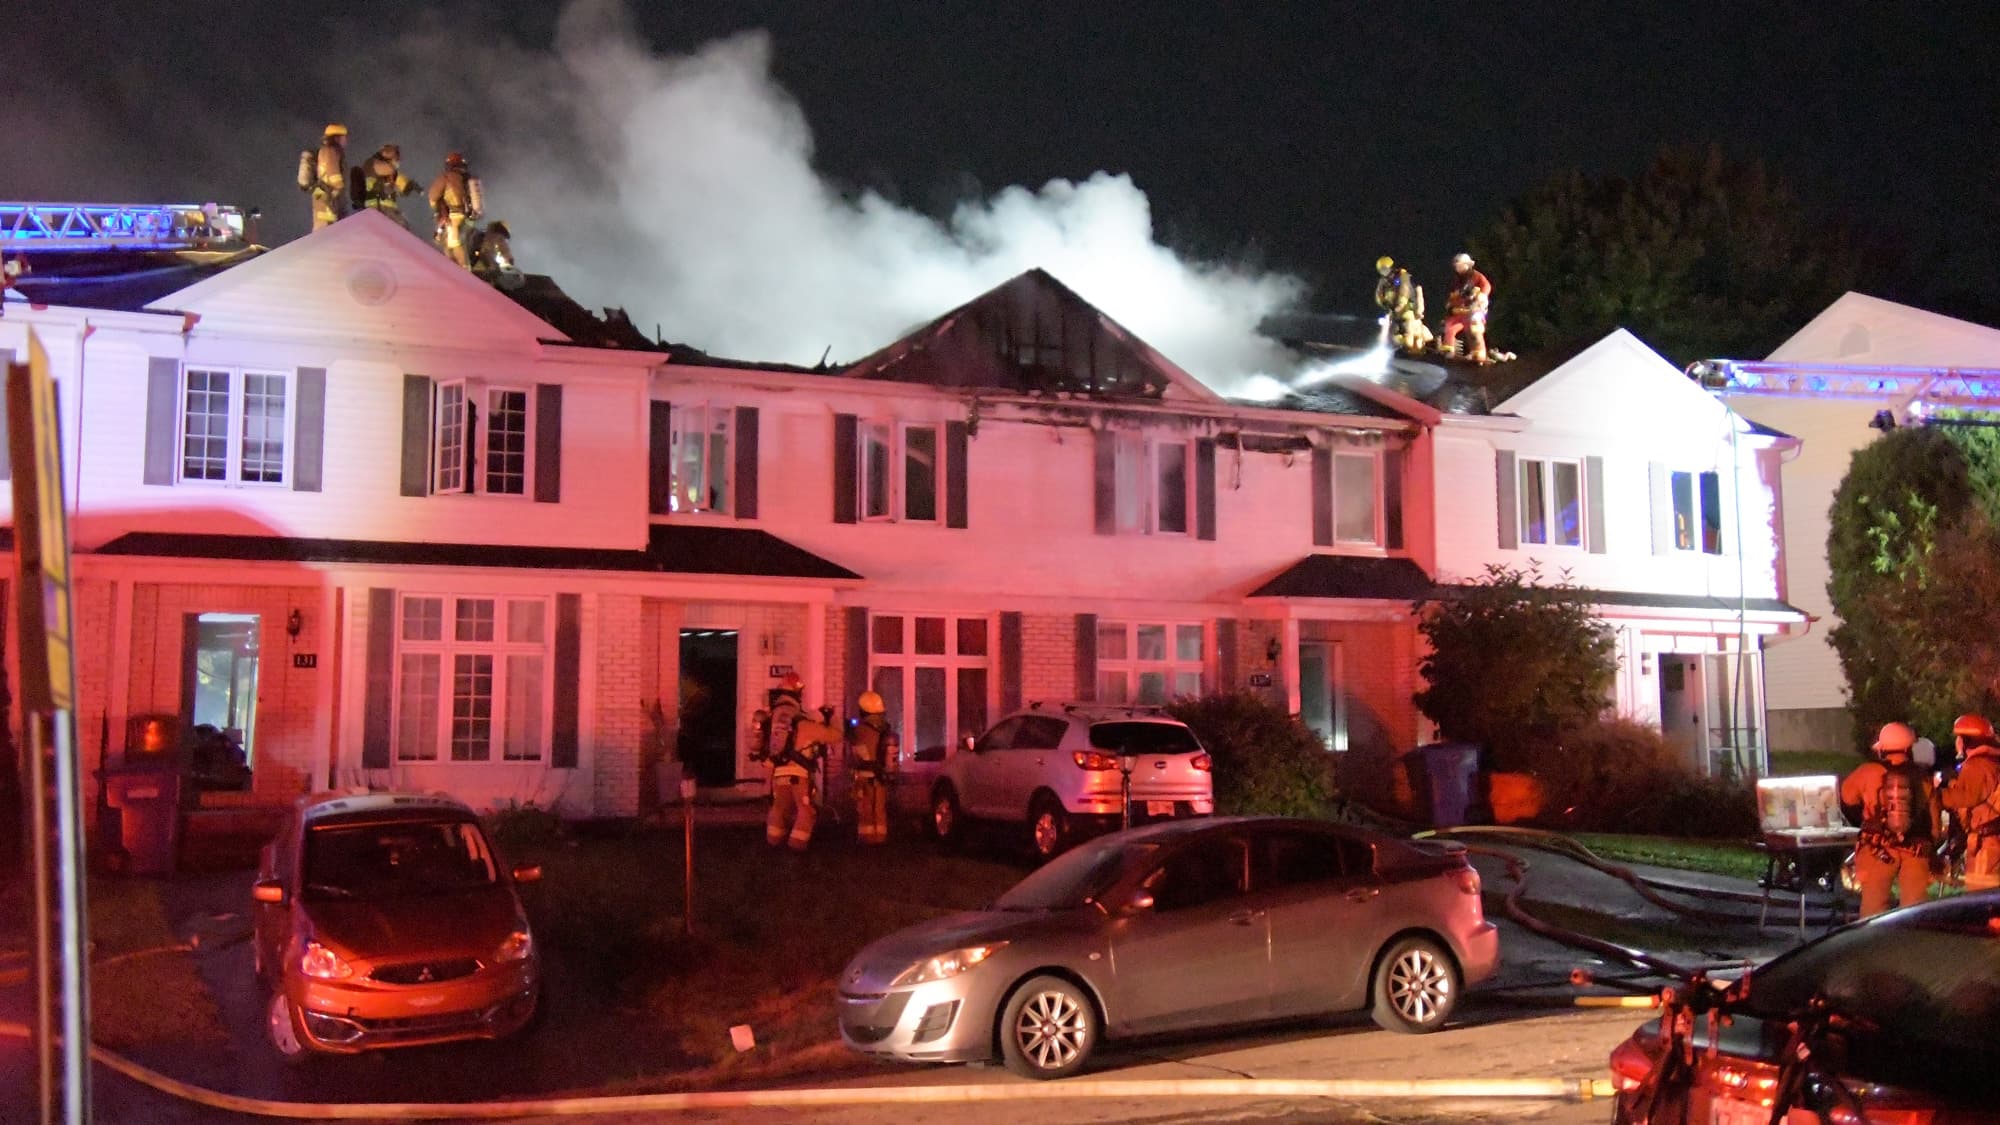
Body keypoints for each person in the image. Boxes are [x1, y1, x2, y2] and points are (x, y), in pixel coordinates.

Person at [1839, 721, 1942, 916]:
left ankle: (1876, 945)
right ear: (1910, 747)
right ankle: (1913, 944)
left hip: (1878, 850)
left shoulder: (1867, 771)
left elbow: (1846, 799)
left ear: (1883, 747)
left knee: (1873, 906)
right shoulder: (1924, 777)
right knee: (1915, 909)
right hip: (1916, 851)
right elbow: (1934, 824)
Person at [750, 675, 834, 851]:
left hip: (778, 773)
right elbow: (833, 736)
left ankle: (773, 842)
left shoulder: (772, 718)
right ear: (797, 693)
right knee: (806, 811)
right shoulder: (801, 720)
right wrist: (830, 718)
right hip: (799, 774)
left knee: (779, 807)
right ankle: (797, 846)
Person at [1940, 713, 2000, 892]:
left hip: (1987, 844)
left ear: (1966, 740)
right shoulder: (1992, 762)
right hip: (1991, 839)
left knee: (1981, 899)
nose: (1956, 743)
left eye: (1958, 738)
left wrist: (1935, 795)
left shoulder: (1977, 765)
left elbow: (1967, 796)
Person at [846, 691, 899, 845]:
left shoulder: (860, 730)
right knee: (880, 809)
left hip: (864, 777)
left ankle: (866, 841)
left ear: (863, 709)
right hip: (881, 777)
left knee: (865, 809)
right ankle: (880, 839)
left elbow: (855, 754)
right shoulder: (886, 729)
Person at [427, 152, 483, 268]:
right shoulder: (468, 179)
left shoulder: (446, 177)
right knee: (457, 245)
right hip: (470, 219)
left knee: (454, 247)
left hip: (454, 218)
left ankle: (462, 277)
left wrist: (439, 209)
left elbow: (432, 196)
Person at [1373, 256, 1433, 354]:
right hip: (1394, 312)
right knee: (1394, 333)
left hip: (1407, 311)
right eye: (1382, 270)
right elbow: (1379, 294)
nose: (1384, 272)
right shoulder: (1383, 281)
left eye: (1385, 269)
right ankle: (1404, 347)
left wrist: (1400, 305)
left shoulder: (1402, 276)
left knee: (1409, 332)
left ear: (1391, 267)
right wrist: (1383, 303)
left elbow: (1404, 291)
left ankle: (1422, 343)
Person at [1440, 252, 1492, 363]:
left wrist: (1481, 297)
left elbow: (1486, 286)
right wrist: (1450, 307)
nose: (1456, 268)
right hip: (1459, 312)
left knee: (1474, 330)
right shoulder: (1456, 281)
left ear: (1467, 264)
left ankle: (1479, 353)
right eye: (1456, 266)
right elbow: (1452, 296)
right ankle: (1449, 351)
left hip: (1473, 310)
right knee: (1450, 327)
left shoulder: (1477, 276)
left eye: (1459, 265)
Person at [353, 143, 418, 229]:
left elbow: (401, 190)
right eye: (396, 158)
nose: (398, 162)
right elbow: (389, 170)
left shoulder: (387, 172)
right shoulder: (373, 163)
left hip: (387, 209)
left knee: (403, 230)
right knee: (400, 231)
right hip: (379, 208)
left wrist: (409, 186)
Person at [297, 124, 349, 230]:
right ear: (337, 137)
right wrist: (339, 188)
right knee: (326, 234)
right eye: (344, 137)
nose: (346, 141)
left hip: (324, 199)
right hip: (329, 199)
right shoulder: (330, 150)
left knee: (324, 232)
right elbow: (333, 172)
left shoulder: (328, 150)